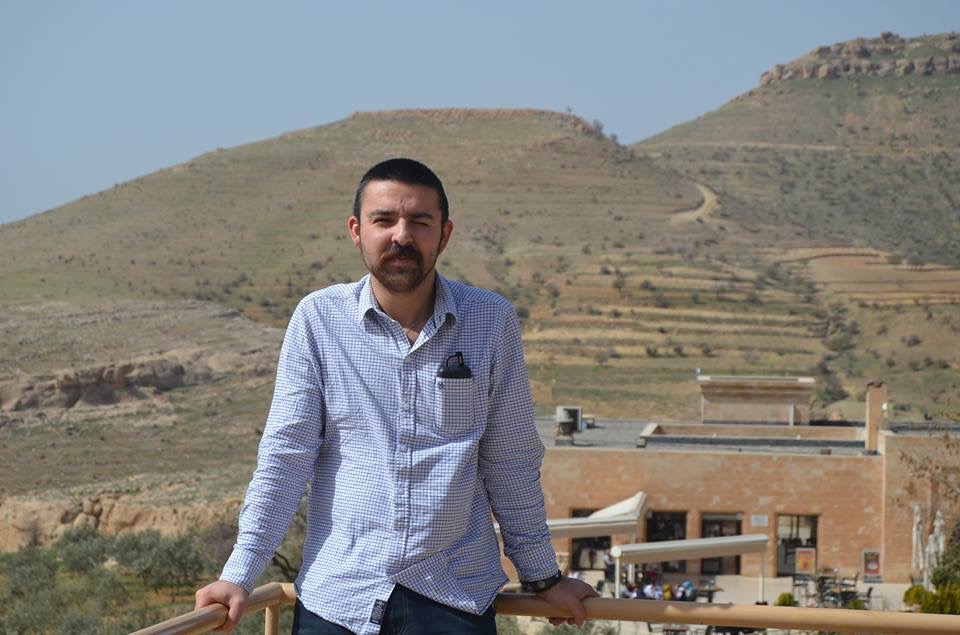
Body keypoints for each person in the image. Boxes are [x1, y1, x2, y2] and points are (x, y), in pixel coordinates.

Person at [194, 158, 597, 634]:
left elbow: (509, 458)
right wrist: (239, 573)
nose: (401, 236)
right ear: (356, 231)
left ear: (444, 235)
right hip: (337, 600)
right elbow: (287, 456)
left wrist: (543, 577)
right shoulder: (318, 320)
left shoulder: (490, 321)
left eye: (419, 222)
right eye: (383, 220)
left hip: (454, 601)